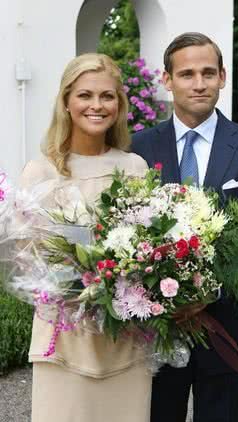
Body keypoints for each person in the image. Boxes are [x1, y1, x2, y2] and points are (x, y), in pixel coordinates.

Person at [132, 32, 238, 422]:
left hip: (228, 330)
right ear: (167, 80)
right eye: (186, 74)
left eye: (207, 73)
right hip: (154, 332)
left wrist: (211, 288)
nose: (198, 84)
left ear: (223, 76)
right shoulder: (137, 149)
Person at [20, 53, 151, 422]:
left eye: (107, 96)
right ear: (66, 101)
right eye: (85, 95)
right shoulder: (41, 172)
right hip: (62, 341)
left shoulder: (134, 169)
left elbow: (148, 250)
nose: (97, 105)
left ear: (120, 105)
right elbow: (30, 261)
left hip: (125, 342)